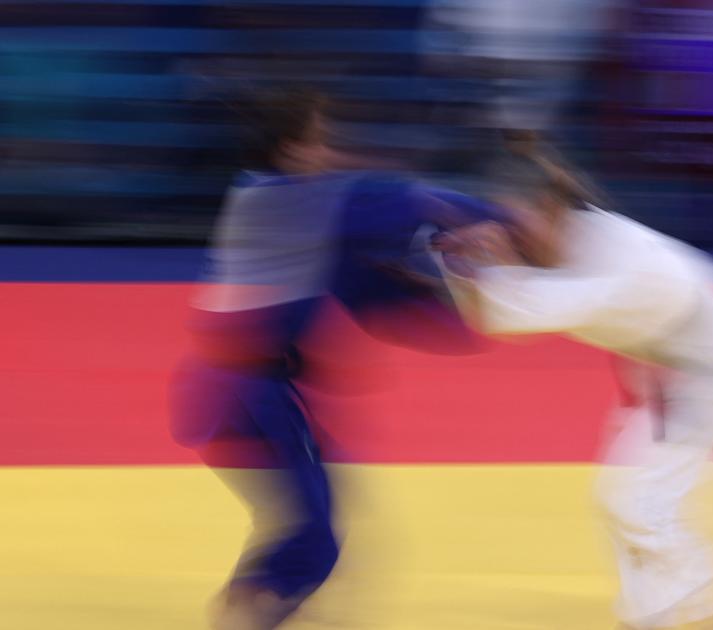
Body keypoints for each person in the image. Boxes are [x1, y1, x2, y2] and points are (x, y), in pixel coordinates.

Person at [436, 141, 713, 629]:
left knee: (639, 502)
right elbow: (509, 301)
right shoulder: (568, 238)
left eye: (519, 223)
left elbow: (518, 312)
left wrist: (461, 265)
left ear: (551, 210)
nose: (514, 238)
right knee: (623, 500)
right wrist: (472, 260)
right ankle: (663, 611)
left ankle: (710, 606)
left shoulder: (619, 259)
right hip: (685, 373)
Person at [169, 87, 496, 630]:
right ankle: (247, 618)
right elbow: (403, 200)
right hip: (250, 395)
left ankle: (247, 609)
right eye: (321, 138)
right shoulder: (311, 203)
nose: (331, 150)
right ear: (292, 150)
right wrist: (495, 220)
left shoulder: (263, 194)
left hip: (226, 389)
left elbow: (362, 270)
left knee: (302, 530)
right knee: (315, 539)